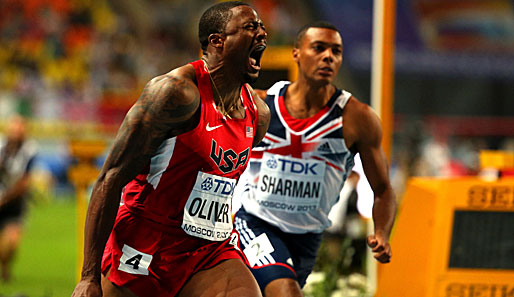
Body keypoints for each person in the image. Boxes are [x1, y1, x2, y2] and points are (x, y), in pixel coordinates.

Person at [71, 2, 270, 297]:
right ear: (217, 42)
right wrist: (88, 277)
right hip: (146, 244)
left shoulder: (258, 114)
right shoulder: (174, 94)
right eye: (250, 27)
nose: (262, 34)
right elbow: (110, 177)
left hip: (208, 250)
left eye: (262, 26)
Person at [233, 21, 397, 296]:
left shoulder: (357, 118)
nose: (328, 57)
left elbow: (382, 190)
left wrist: (382, 233)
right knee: (284, 291)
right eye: (319, 48)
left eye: (336, 51)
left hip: (308, 239)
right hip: (255, 222)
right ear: (297, 53)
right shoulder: (260, 105)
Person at [0, 115, 37, 282]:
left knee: (11, 243)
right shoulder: (1, 147)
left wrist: (4, 199)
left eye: (19, 130)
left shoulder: (29, 151)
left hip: (14, 203)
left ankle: (5, 267)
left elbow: (24, 183)